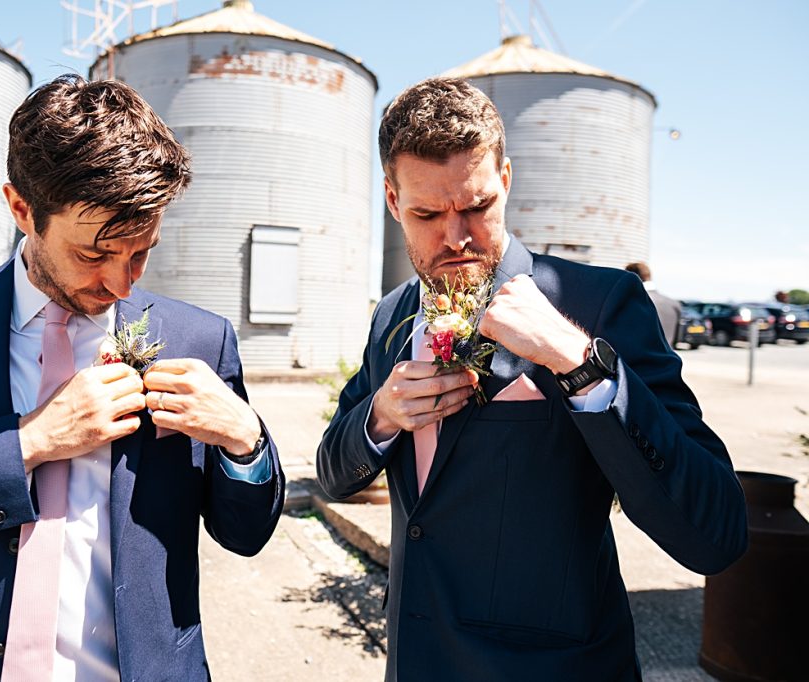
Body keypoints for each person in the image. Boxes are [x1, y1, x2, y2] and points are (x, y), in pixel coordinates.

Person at [0, 75, 284, 681]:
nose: (122, 284)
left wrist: (246, 440)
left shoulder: (200, 339)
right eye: (94, 254)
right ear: (21, 209)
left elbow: (245, 535)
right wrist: (26, 443)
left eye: (141, 251)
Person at [317, 77, 747, 681]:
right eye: (426, 213)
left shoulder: (600, 303)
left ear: (507, 181)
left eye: (477, 206)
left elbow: (716, 533)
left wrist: (578, 362)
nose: (456, 237)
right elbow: (335, 473)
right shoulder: (391, 317)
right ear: (392, 201)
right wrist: (380, 417)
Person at [625, 261, 683, 346]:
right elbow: (678, 339)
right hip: (667, 357)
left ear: (631, 277)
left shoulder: (630, 301)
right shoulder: (674, 304)